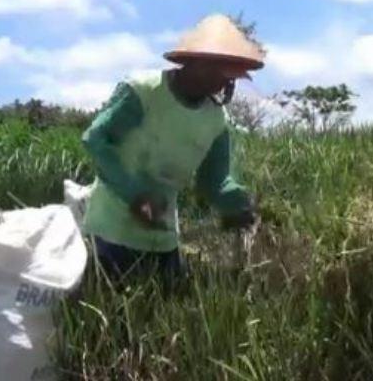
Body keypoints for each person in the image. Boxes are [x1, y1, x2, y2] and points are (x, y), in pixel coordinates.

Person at [81, 14, 263, 283]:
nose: (222, 84)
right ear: (195, 64)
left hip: (163, 238)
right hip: (111, 231)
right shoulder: (144, 92)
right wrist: (135, 195)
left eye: (228, 77)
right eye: (218, 73)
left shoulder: (216, 121)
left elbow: (213, 182)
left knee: (164, 303)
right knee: (111, 302)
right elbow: (95, 139)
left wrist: (237, 202)